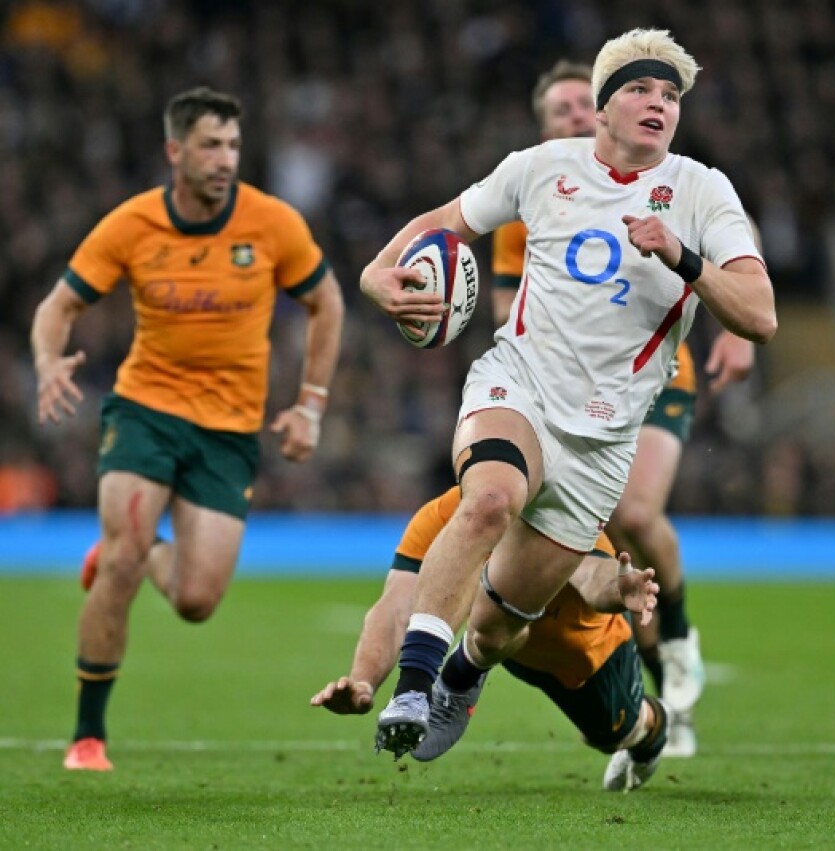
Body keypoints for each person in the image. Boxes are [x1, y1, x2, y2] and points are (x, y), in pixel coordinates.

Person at [360, 28, 775, 762]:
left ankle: (461, 673)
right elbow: (444, 223)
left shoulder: (702, 190)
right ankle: (414, 687)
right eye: (642, 90)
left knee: (497, 626)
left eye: (671, 96)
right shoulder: (540, 168)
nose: (658, 105)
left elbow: (760, 313)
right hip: (518, 384)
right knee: (488, 498)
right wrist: (375, 275)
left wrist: (683, 257)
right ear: (605, 108)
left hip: (604, 440)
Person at [30, 86, 353, 772]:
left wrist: (312, 403)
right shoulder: (132, 224)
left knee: (198, 600)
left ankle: (146, 548)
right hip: (145, 410)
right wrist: (48, 361)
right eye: (210, 145)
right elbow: (58, 305)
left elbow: (326, 299)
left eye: (233, 145)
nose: (225, 159)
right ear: (175, 151)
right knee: (118, 560)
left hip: (229, 430)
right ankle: (88, 736)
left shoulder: (272, 224)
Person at [489, 59, 757, 758]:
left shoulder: (677, 180)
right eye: (563, 112)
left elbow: (735, 253)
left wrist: (734, 330)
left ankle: (677, 632)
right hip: (563, 393)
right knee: (595, 547)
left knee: (636, 513)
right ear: (548, 129)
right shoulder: (533, 198)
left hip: (656, 377)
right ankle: (646, 700)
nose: (577, 118)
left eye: (585, 105)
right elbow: (504, 310)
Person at [311, 486, 669, 791]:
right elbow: (396, 608)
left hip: (586, 656)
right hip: (508, 643)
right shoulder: (445, 516)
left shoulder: (562, 512)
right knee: (493, 606)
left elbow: (592, 577)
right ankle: (463, 672)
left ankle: (653, 726)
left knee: (614, 734)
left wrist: (618, 589)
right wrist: (363, 681)